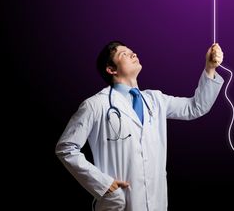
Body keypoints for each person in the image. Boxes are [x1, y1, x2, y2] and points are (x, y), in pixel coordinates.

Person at [55, 41, 224, 211]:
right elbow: (66, 147)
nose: (133, 54)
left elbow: (195, 107)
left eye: (132, 51)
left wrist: (210, 68)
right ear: (111, 69)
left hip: (157, 203)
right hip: (120, 204)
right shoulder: (96, 105)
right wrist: (103, 184)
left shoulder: (155, 100)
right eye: (124, 54)